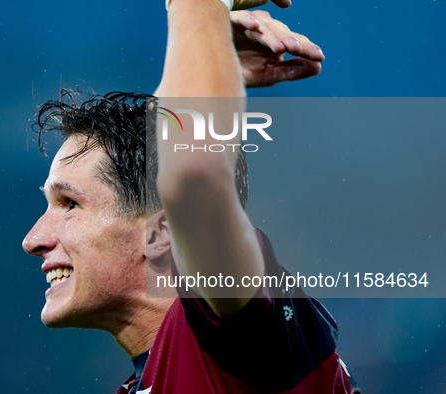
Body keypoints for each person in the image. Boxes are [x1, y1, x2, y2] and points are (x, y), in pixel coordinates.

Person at [23, 0, 359, 392]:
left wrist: (201, 7)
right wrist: (213, 64)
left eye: (70, 204)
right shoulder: (159, 376)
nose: (33, 240)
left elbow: (195, 178)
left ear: (162, 231)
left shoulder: (241, 337)